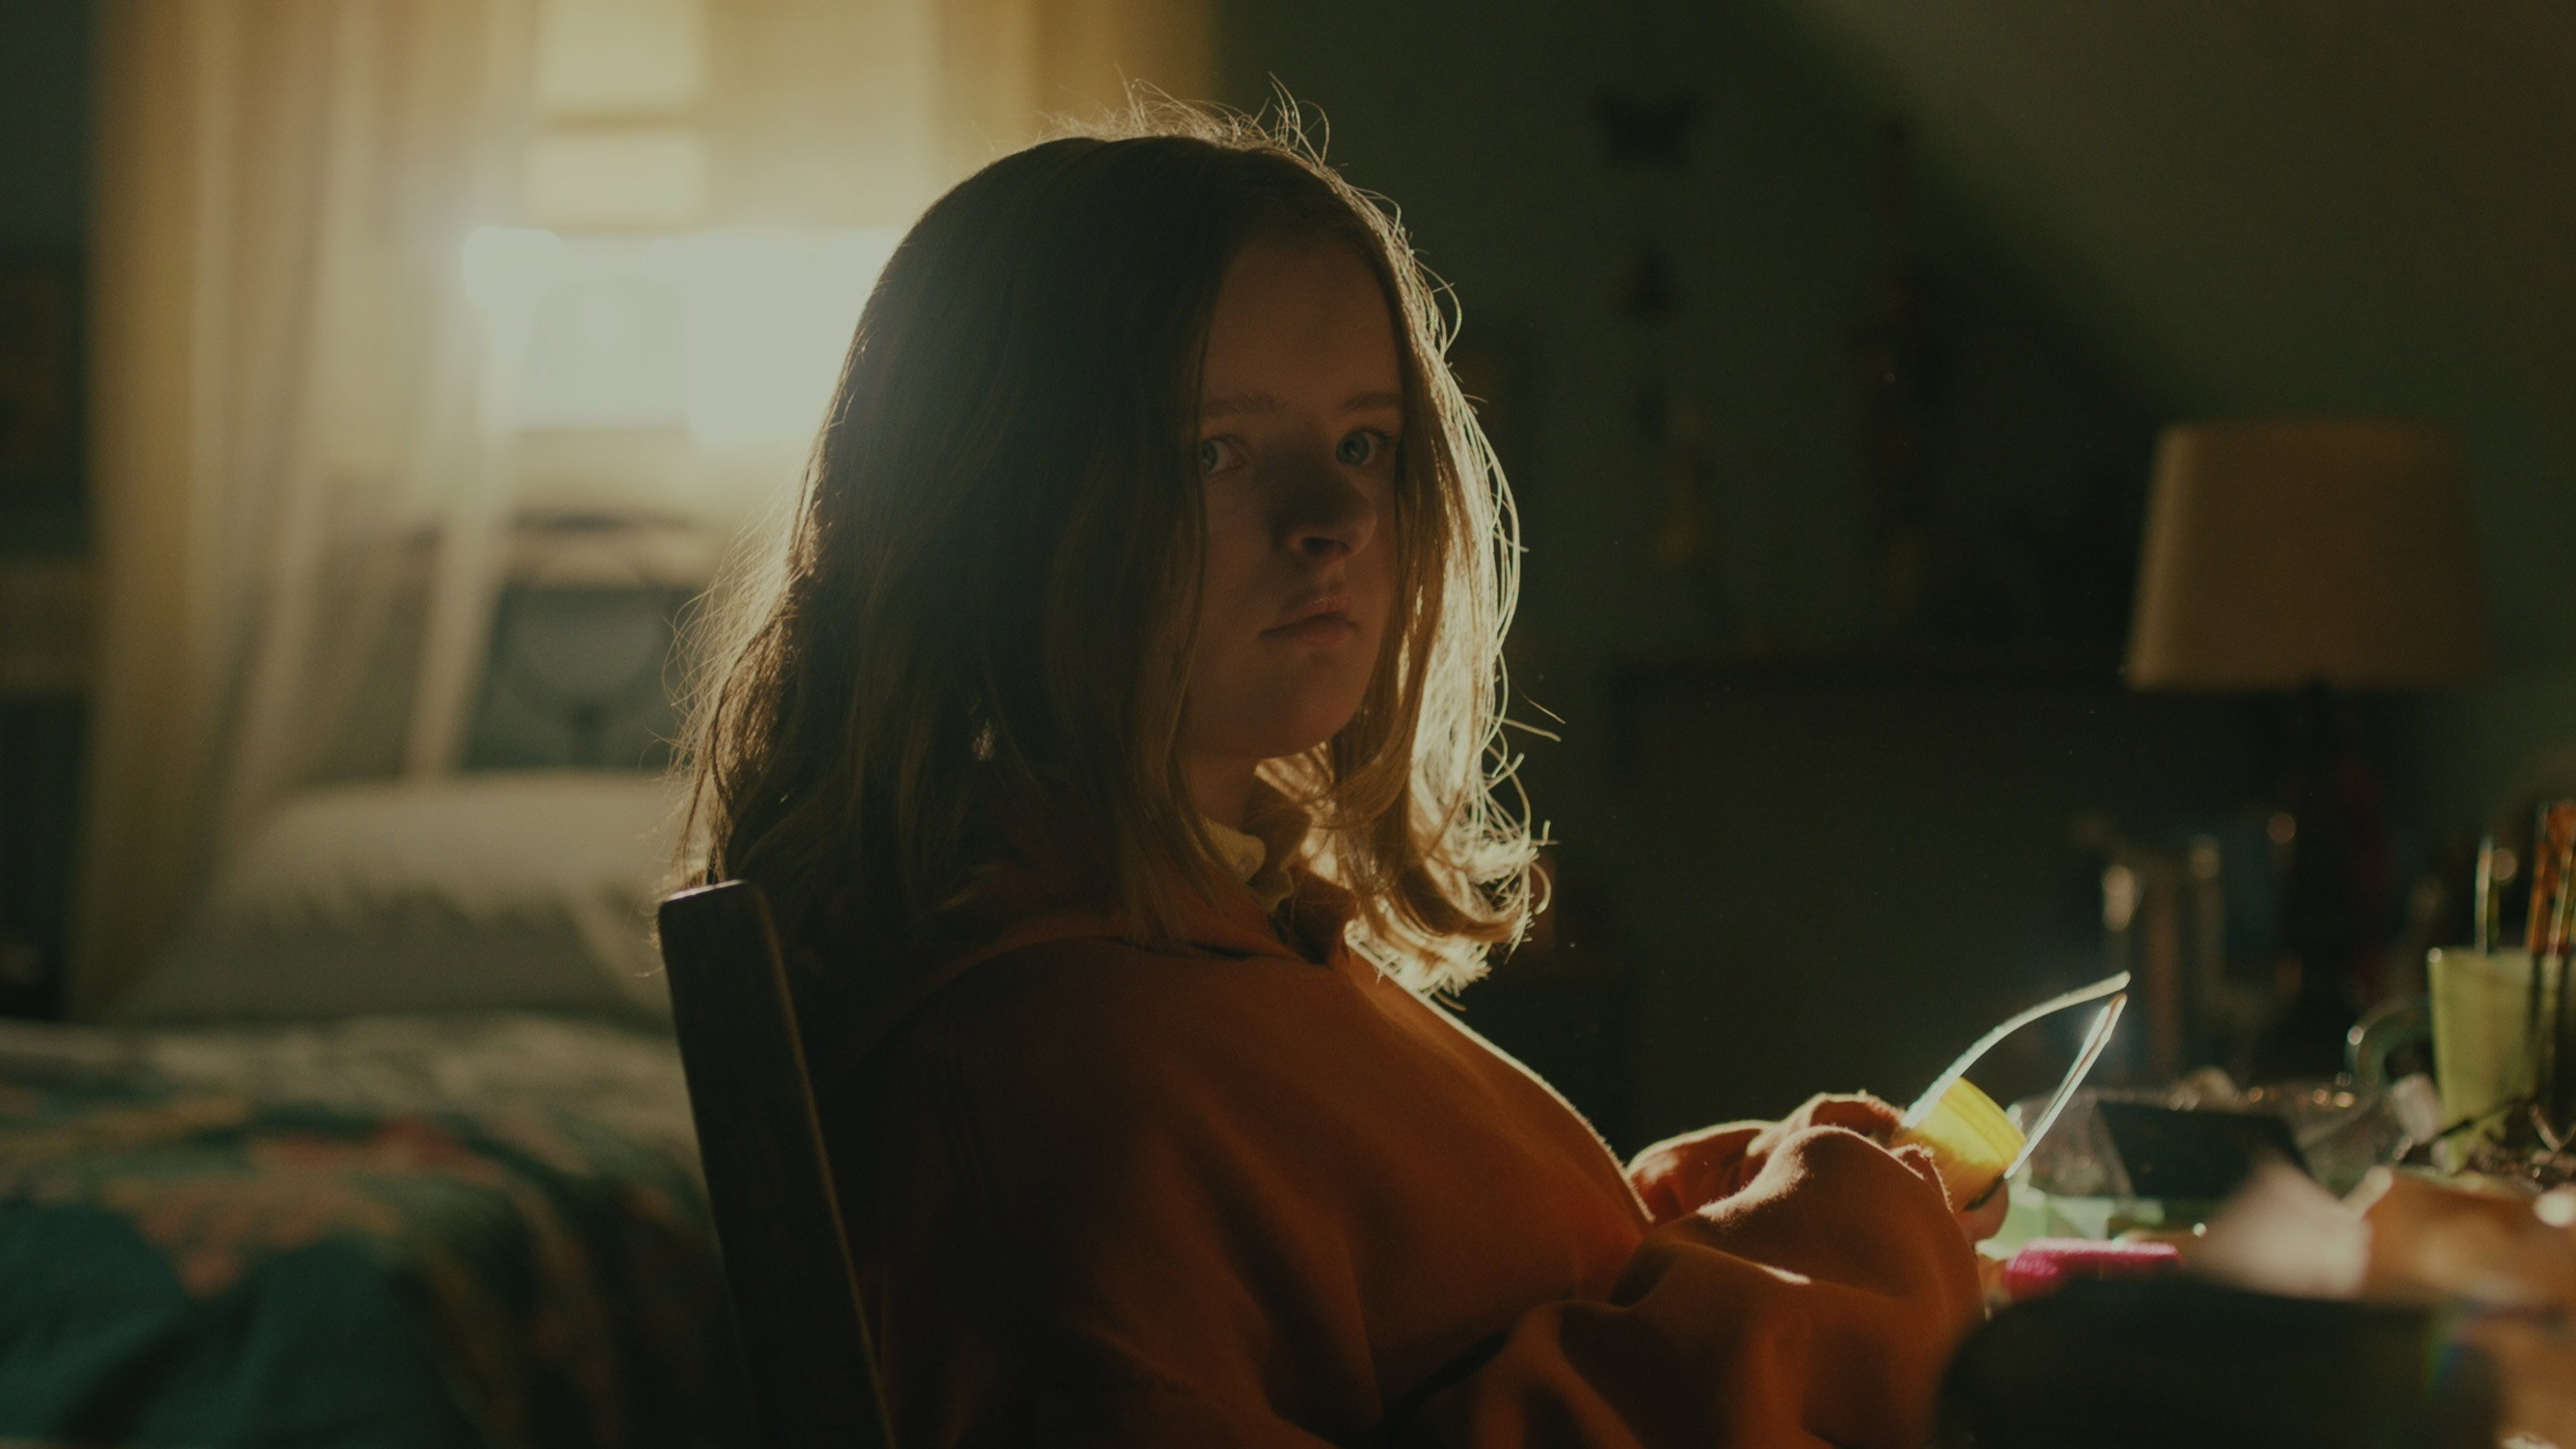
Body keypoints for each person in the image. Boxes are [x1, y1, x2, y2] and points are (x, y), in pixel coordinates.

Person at [681, 105, 1991, 1448]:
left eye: (1364, 442)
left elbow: (1397, 1309)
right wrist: (1829, 1266)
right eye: (1216, 451)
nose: (1339, 517)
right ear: (987, 510)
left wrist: (1724, 1216)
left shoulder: (1219, 927)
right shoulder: (1053, 1082)